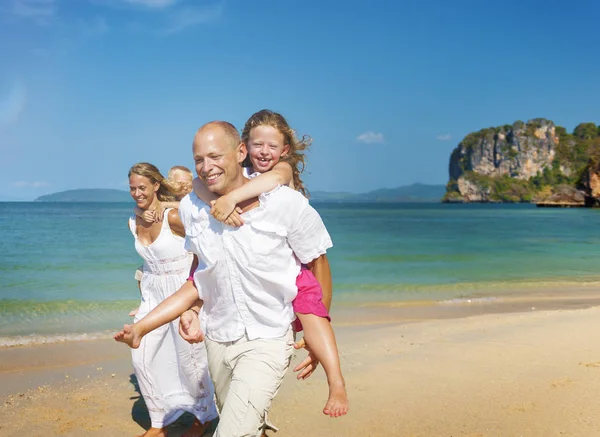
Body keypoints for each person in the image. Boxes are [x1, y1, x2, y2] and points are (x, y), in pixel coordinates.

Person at [115, 122, 340, 436]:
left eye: (215, 156)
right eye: (199, 160)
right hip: (218, 338)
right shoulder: (194, 208)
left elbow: (318, 265)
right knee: (245, 424)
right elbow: (198, 276)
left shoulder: (284, 203)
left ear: (240, 153)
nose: (207, 167)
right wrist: (147, 325)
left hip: (268, 337)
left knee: (231, 432)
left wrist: (318, 329)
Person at [193, 109, 348, 418]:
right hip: (250, 289)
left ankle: (337, 383)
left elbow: (273, 181)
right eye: (257, 144)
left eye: (272, 146)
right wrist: (216, 202)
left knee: (313, 312)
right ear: (243, 147)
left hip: (292, 265)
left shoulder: (282, 171)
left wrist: (229, 200)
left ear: (285, 150)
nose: (264, 152)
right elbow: (198, 183)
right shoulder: (234, 175)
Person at [125, 162, 217, 437]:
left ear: (156, 185)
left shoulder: (173, 218)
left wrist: (199, 291)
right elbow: (149, 266)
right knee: (141, 356)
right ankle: (158, 421)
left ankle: (203, 417)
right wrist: (142, 298)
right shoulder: (132, 221)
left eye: (142, 187)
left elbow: (206, 244)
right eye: (132, 188)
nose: (137, 193)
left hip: (181, 291)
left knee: (189, 359)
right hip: (151, 295)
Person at [130, 166, 195, 317]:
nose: (183, 186)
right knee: (141, 272)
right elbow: (138, 206)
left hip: (182, 276)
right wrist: (140, 212)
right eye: (133, 189)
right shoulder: (135, 220)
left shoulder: (186, 204)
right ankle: (143, 305)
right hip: (153, 283)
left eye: (187, 183)